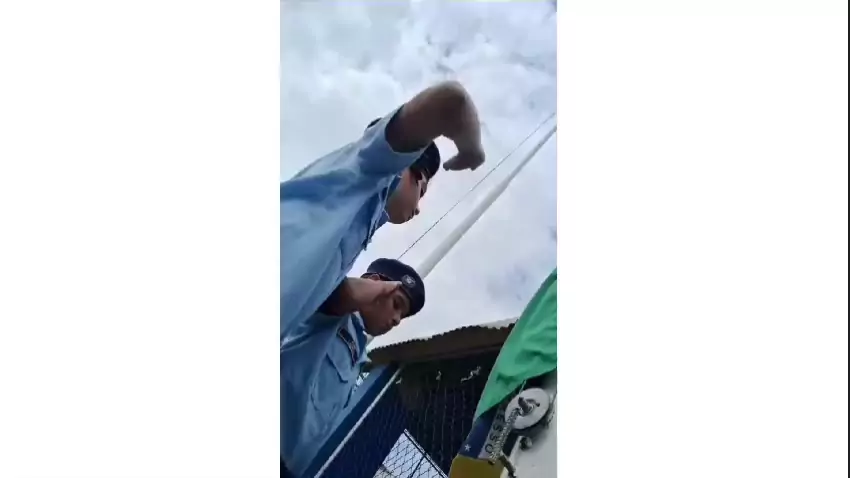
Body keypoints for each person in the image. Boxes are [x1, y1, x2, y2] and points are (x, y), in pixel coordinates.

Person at [280, 80, 485, 343]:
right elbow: (451, 100)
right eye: (421, 191)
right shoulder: (373, 169)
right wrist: (472, 151)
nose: (417, 209)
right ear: (406, 168)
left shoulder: (356, 219)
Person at [280, 258, 426, 477]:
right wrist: (361, 291)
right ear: (374, 284)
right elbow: (324, 288)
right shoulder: (331, 317)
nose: (397, 319)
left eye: (402, 316)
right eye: (396, 304)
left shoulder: (359, 356)